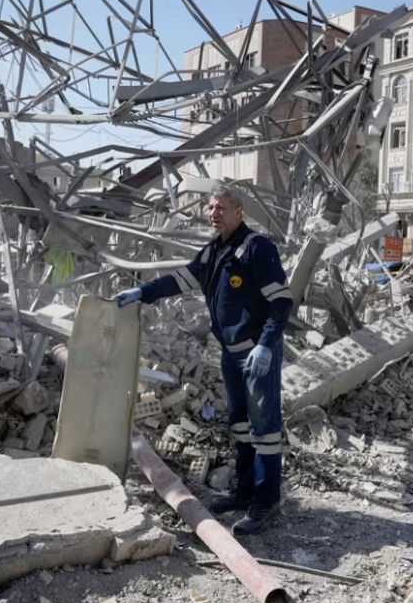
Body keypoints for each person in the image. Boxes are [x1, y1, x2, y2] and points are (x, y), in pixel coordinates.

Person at [115, 184, 292, 535]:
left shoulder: (256, 247)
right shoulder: (214, 251)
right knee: (240, 426)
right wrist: (143, 292)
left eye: (221, 208)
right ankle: (244, 492)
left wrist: (266, 345)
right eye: (210, 208)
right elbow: (179, 280)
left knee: (264, 430)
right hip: (230, 354)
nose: (213, 214)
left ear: (239, 211)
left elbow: (282, 301)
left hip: (256, 354)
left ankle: (266, 502)